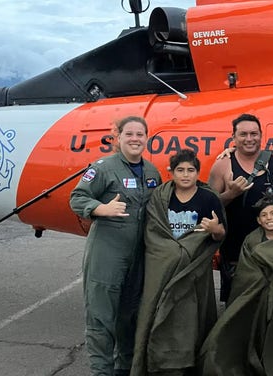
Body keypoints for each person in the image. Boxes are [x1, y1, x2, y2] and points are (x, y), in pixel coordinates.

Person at [69, 115, 162, 376]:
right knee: (101, 318)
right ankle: (102, 372)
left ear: (146, 138)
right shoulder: (103, 168)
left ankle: (125, 369)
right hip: (107, 255)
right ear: (118, 137)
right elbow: (77, 197)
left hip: (138, 256)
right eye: (129, 134)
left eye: (140, 134)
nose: (135, 139)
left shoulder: (152, 172)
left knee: (129, 317)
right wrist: (101, 208)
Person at [131, 149, 225, 375]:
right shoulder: (161, 197)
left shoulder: (208, 198)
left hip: (193, 270)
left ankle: (189, 363)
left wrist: (214, 229)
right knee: (155, 312)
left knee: (191, 319)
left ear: (198, 173)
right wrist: (173, 253)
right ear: (171, 172)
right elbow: (153, 232)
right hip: (162, 268)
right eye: (180, 170)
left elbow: (220, 233)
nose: (185, 175)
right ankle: (157, 362)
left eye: (190, 170)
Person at [199, 193, 273, 375]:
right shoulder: (251, 240)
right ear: (258, 220)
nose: (269, 218)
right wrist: (262, 284)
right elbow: (246, 272)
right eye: (264, 215)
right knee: (248, 334)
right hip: (256, 296)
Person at [208, 113, 273, 303]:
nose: (249, 139)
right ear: (234, 138)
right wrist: (231, 194)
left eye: (254, 134)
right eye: (243, 134)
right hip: (235, 252)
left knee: (268, 303)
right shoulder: (222, 166)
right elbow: (209, 208)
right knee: (236, 306)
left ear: (261, 135)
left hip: (269, 250)